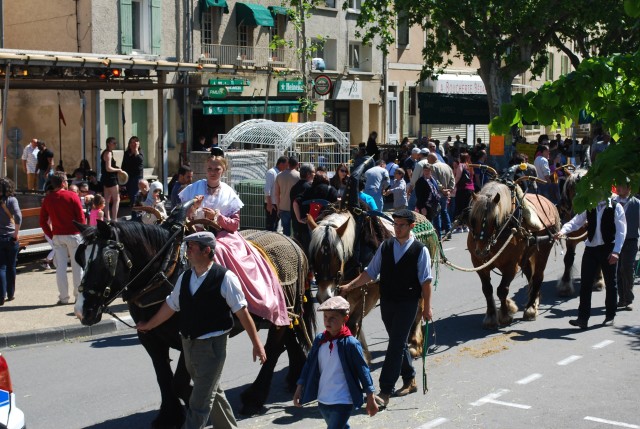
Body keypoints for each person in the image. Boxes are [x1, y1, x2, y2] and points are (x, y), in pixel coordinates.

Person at [136, 231, 266, 429]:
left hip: (212, 348)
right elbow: (171, 306)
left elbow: (242, 313)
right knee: (212, 392)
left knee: (198, 403)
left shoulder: (225, 278)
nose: (186, 252)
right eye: (187, 247)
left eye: (191, 248)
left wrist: (257, 343)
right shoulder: (185, 277)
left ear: (207, 251)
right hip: (189, 346)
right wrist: (149, 325)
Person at [179, 155, 290, 326]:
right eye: (210, 169)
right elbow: (180, 215)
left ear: (223, 170)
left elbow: (235, 225)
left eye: (217, 169)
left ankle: (224, 297)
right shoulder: (193, 189)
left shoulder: (229, 193)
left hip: (222, 235)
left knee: (219, 250)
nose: (213, 172)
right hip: (193, 232)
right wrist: (192, 208)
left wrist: (217, 217)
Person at [340, 209, 433, 408]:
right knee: (398, 344)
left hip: (408, 303)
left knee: (397, 342)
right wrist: (350, 286)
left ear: (411, 227)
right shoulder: (385, 247)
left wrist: (427, 308)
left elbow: (426, 282)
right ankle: (410, 379)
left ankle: (384, 390)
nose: (398, 229)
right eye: (396, 225)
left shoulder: (419, 250)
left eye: (402, 225)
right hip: (388, 303)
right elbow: (370, 273)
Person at [293, 296, 378, 427]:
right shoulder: (320, 340)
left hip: (343, 401)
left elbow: (363, 371)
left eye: (333, 317)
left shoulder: (351, 344)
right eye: (325, 317)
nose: (328, 321)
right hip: (323, 400)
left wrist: (370, 397)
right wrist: (300, 387)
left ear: (345, 319)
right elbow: (309, 365)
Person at [554, 197, 626, 329]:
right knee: (585, 285)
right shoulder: (589, 205)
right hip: (591, 249)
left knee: (611, 284)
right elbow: (576, 222)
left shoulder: (616, 207)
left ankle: (610, 316)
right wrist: (562, 231)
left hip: (608, 249)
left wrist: (616, 251)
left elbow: (622, 231)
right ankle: (582, 319)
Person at [39, 172, 86, 305]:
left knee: (60, 268)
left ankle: (64, 297)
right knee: (77, 268)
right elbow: (81, 218)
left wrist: (51, 233)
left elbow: (42, 221)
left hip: (58, 235)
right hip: (74, 234)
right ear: (64, 183)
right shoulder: (72, 196)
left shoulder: (48, 199)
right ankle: (78, 296)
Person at [613, 180, 638, 310]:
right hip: (615, 241)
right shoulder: (612, 203)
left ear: (629, 188)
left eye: (621, 185)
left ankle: (629, 298)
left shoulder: (637, 204)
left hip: (631, 240)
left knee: (627, 268)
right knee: (617, 270)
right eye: (617, 185)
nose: (618, 188)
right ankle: (621, 298)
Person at [0, 178, 21, 305]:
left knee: (1, 267)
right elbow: (18, 216)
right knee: (11, 266)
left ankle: (1, 296)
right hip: (10, 237)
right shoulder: (12, 200)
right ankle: (11, 293)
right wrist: (16, 232)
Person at [427, 154, 454, 238]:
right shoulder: (447, 166)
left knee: (437, 214)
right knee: (444, 211)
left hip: (437, 194)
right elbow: (452, 179)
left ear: (431, 158)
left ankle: (438, 234)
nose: (427, 160)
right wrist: (449, 190)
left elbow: (435, 181)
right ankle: (448, 232)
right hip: (446, 194)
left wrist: (442, 190)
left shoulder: (433, 167)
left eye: (428, 158)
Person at [290, 163, 315, 250]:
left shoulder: (294, 187)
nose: (314, 174)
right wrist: (299, 218)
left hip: (296, 225)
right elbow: (295, 202)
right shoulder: (308, 187)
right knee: (306, 250)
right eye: (313, 172)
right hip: (305, 225)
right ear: (308, 174)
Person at [275, 157, 300, 237]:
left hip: (283, 207)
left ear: (288, 164)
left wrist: (278, 208)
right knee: (296, 231)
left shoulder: (279, 176)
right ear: (297, 164)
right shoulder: (298, 176)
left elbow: (276, 194)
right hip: (296, 208)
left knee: (286, 232)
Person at [100, 137, 124, 221]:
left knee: (107, 199)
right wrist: (119, 170)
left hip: (105, 178)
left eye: (115, 143)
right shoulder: (108, 153)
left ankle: (108, 218)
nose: (115, 144)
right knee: (116, 199)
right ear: (108, 144)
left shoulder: (105, 153)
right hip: (111, 178)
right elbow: (108, 168)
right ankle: (114, 219)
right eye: (113, 143)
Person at [121, 136, 144, 219]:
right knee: (131, 197)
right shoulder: (126, 153)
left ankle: (135, 216)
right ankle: (135, 214)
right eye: (132, 142)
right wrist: (122, 178)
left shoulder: (140, 152)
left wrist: (136, 151)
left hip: (137, 177)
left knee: (135, 197)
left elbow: (139, 161)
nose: (133, 144)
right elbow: (123, 165)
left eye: (135, 142)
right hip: (128, 178)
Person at [264, 156, 287, 232]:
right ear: (281, 164)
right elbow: (267, 189)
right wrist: (269, 204)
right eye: (286, 165)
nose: (287, 167)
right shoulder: (271, 172)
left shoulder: (280, 173)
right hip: (272, 204)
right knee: (271, 226)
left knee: (276, 225)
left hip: (277, 204)